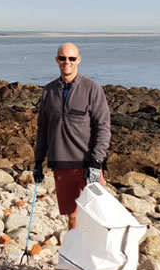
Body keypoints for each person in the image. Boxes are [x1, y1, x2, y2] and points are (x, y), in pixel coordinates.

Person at [33, 42, 111, 231]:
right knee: (73, 218)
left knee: (98, 216)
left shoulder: (92, 89)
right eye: (62, 58)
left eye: (71, 58)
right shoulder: (49, 91)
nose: (66, 62)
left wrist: (96, 161)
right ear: (57, 60)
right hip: (60, 165)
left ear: (79, 60)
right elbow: (42, 128)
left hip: (87, 165)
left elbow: (103, 127)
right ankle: (76, 257)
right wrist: (38, 162)